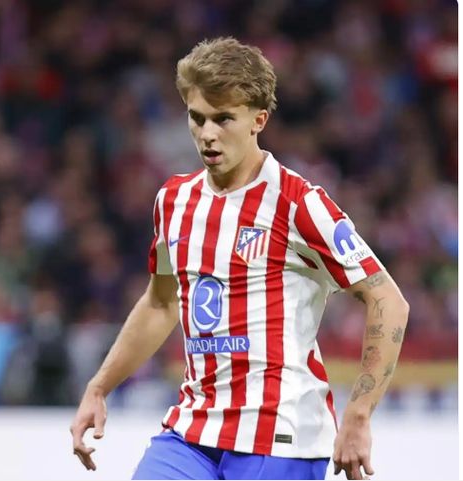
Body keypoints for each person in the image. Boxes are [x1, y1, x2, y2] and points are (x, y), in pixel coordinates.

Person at [70, 37, 409, 481]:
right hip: (193, 431)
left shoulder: (298, 202)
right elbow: (161, 302)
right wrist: (99, 387)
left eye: (223, 118)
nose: (207, 134)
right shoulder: (174, 201)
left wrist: (359, 415)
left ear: (258, 120)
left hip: (279, 436)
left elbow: (388, 300)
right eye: (197, 118)